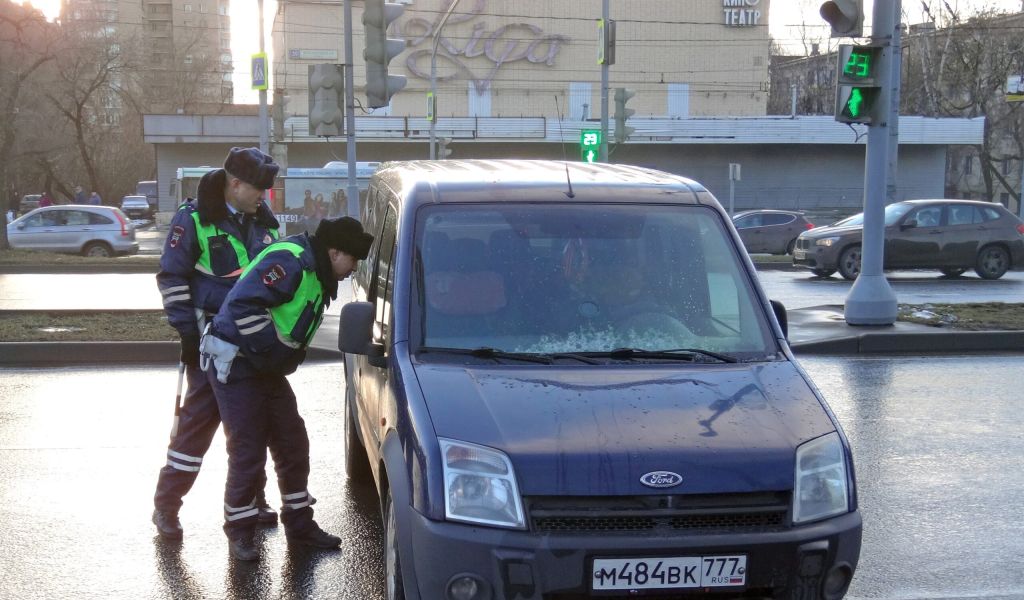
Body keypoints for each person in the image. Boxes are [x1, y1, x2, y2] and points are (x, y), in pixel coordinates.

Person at [200, 216, 373, 561]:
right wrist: (271, 355)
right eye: (352, 260)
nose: (353, 269)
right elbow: (243, 307)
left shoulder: (317, 270)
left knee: (293, 442)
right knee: (248, 450)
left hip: (262, 365)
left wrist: (274, 360)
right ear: (334, 251)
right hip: (238, 362)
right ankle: (240, 532)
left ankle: (299, 524)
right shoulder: (292, 261)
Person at [152, 147, 283, 541]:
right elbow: (172, 279)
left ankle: (253, 501)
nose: (265, 194)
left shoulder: (263, 220)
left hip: (254, 345)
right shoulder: (193, 220)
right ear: (235, 183)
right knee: (195, 429)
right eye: (259, 187)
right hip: (211, 345)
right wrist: (188, 335)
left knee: (251, 425)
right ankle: (166, 507)